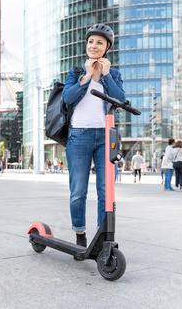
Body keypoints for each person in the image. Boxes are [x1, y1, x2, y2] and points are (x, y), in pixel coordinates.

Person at [62, 23, 125, 247]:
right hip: (79, 136)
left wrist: (105, 76)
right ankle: (80, 233)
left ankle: (102, 239)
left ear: (107, 47)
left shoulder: (114, 74)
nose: (94, 45)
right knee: (78, 190)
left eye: (99, 42)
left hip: (106, 138)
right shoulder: (76, 72)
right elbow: (67, 98)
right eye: (91, 41)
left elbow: (120, 100)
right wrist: (88, 76)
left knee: (105, 191)